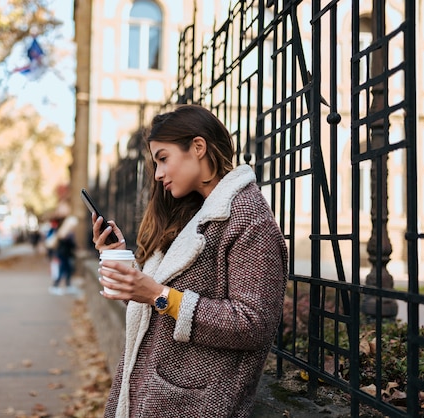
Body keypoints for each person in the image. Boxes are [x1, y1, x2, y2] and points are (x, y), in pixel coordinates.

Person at [91, 104, 288, 417]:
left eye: (163, 159)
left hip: (191, 405)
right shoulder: (194, 214)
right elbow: (158, 301)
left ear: (198, 147)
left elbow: (254, 324)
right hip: (153, 397)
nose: (157, 174)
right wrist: (120, 257)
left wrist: (158, 295)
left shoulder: (249, 218)